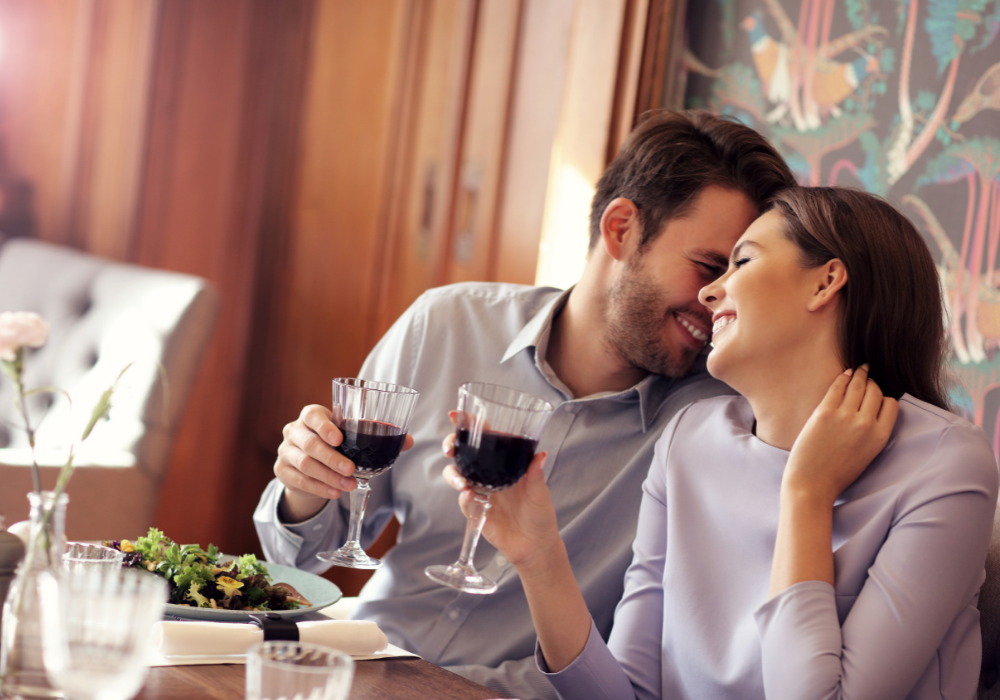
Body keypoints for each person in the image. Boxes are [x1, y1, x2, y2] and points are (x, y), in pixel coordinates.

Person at [253, 110, 795, 699]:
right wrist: (306, 485)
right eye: (709, 268)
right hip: (352, 663)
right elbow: (298, 560)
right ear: (621, 229)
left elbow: (647, 670)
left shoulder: (714, 426)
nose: (717, 303)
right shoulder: (446, 323)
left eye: (739, 280)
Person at [446, 186, 1000, 699]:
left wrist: (807, 494)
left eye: (742, 261)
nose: (709, 292)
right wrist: (539, 554)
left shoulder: (944, 463)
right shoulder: (690, 441)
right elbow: (628, 694)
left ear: (826, 281)